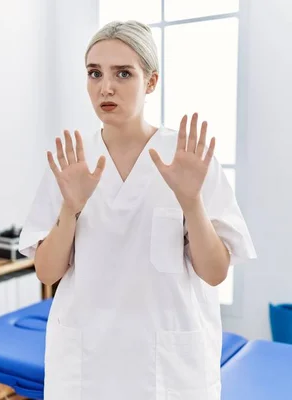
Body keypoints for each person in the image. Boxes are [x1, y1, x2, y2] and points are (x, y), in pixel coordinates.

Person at [18, 20, 256, 400]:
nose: (105, 87)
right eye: (94, 73)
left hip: (168, 369)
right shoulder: (73, 163)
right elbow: (47, 272)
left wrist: (191, 202)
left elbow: (215, 273)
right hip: (88, 365)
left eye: (123, 74)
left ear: (151, 81)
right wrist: (70, 207)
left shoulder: (187, 158)